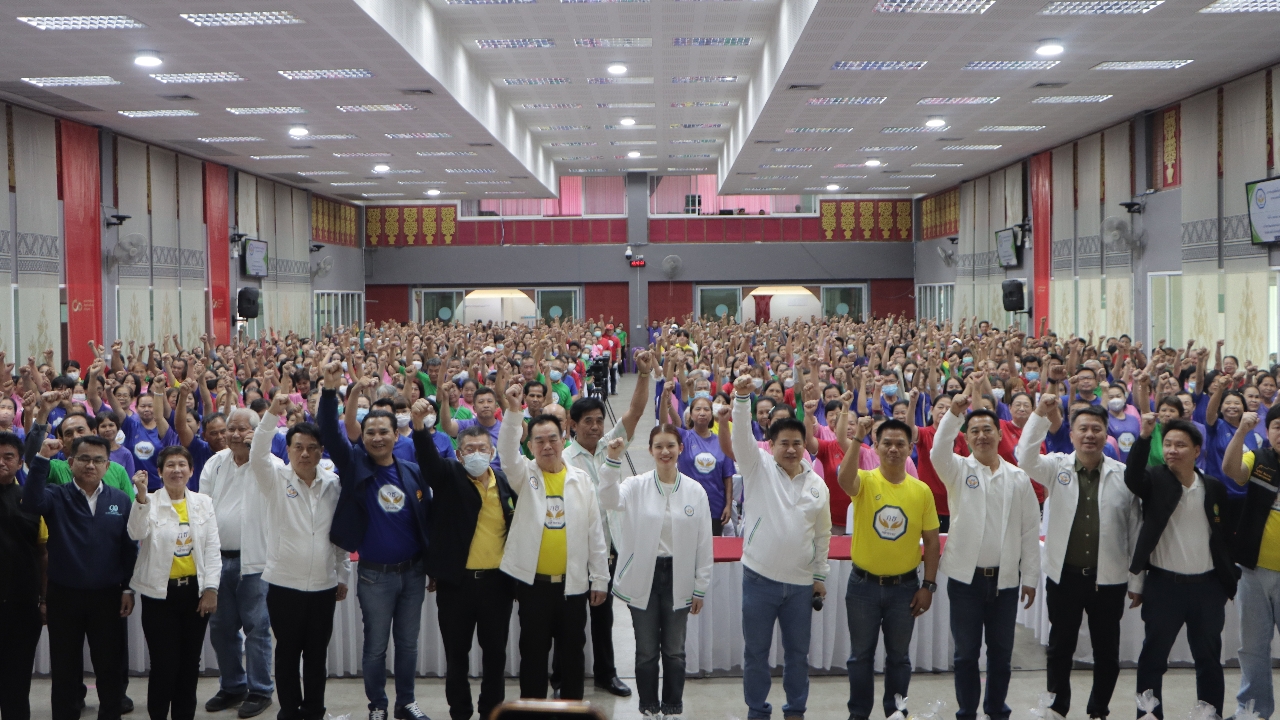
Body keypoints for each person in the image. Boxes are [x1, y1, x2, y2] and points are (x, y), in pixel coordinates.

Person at [1016, 396, 1142, 720]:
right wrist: (1040, 414)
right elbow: (1024, 457)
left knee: (1107, 652)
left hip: (1108, 580)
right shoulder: (1055, 466)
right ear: (1071, 435)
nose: (1089, 435)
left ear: (1106, 435)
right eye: (1083, 429)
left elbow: (1135, 531)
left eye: (1096, 429)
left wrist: (1137, 581)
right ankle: (1058, 707)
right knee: (1060, 648)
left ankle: (1099, 709)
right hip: (1065, 577)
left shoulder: (1123, 475)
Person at [318, 362, 432, 720]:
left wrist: (431, 565)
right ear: (362, 436)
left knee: (409, 645)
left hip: (412, 574)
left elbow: (425, 520)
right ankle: (378, 706)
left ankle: (406, 703)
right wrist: (330, 391)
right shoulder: (354, 464)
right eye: (371, 432)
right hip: (374, 577)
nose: (378, 438)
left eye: (384, 431)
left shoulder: (411, 471)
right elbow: (329, 431)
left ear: (396, 435)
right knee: (376, 648)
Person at [930, 379, 1040, 720]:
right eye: (974, 431)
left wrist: (1030, 577)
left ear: (999, 433)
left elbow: (1029, 531)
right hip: (965, 581)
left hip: (1004, 582)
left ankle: (996, 710)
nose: (981, 436)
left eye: (987, 429)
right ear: (966, 437)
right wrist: (953, 414)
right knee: (965, 655)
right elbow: (937, 451)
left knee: (1001, 654)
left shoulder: (1018, 478)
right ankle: (967, 712)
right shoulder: (957, 469)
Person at [497, 382, 610, 701]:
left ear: (564, 439)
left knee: (573, 656)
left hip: (572, 587)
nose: (547, 446)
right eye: (539, 441)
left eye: (552, 439)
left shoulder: (581, 480)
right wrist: (514, 411)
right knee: (533, 656)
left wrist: (600, 578)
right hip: (533, 587)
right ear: (530, 446)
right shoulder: (524, 475)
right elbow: (506, 453)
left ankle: (571, 710)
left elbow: (595, 534)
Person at [730, 373, 831, 720]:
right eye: (783, 443)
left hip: (801, 586)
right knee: (756, 653)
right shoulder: (757, 468)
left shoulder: (817, 485)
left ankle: (796, 710)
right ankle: (757, 711)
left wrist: (820, 576)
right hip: (759, 580)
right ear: (770, 445)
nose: (790, 449)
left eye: (796, 443)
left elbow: (822, 535)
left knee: (797, 655)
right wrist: (741, 400)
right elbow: (740, 439)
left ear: (805, 446)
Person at [555, 349, 654, 698]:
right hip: (572, 549)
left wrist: (644, 375)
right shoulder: (562, 459)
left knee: (603, 616)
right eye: (588, 421)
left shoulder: (610, 446)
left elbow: (635, 412)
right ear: (573, 425)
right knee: (568, 619)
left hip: (608, 548)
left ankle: (605, 674)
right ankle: (562, 678)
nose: (596, 426)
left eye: (599, 420)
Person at [250, 377, 349, 720]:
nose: (305, 453)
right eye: (298, 447)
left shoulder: (333, 484)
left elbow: (339, 534)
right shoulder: (275, 479)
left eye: (312, 447)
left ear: (321, 451)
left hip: (323, 585)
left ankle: (314, 710)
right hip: (284, 584)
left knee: (317, 655)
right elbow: (257, 453)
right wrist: (270, 415)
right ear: (288, 450)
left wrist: (342, 574)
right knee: (288, 653)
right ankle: (289, 711)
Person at [598, 426, 714, 719]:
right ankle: (649, 708)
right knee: (646, 651)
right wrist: (612, 460)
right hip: (644, 577)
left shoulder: (695, 491)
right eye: (659, 446)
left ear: (680, 449)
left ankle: (672, 708)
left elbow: (704, 542)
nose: (665, 452)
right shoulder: (635, 485)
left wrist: (700, 586)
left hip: (679, 575)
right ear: (650, 450)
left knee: (674, 651)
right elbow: (608, 499)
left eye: (670, 445)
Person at [22, 426, 137, 720]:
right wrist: (41, 459)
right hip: (64, 595)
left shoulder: (120, 500)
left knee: (109, 667)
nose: (90, 465)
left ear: (107, 466)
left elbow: (128, 548)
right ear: (71, 462)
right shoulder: (55, 495)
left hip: (108, 596)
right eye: (84, 459)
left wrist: (127, 588)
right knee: (64, 669)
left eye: (98, 460)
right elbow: (31, 502)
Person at [411, 400, 516, 720]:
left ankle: (491, 710)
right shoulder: (448, 476)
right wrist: (419, 428)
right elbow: (428, 461)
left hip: (497, 584)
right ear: (459, 454)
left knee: (495, 654)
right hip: (457, 585)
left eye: (482, 448)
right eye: (469, 449)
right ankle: (460, 711)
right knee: (457, 654)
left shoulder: (505, 484)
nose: (476, 454)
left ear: (492, 452)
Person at [1126, 414, 1236, 718]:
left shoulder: (1213, 487)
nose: (1172, 450)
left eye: (1180, 445)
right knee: (1153, 658)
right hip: (1164, 587)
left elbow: (1224, 537)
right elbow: (1132, 478)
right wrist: (1144, 438)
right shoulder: (1154, 480)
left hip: (1207, 589)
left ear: (1197, 450)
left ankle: (1209, 714)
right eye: (1168, 444)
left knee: (1209, 660)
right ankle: (1148, 715)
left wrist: (1228, 580)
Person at [835, 416, 941, 720]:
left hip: (904, 589)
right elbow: (844, 480)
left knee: (899, 658)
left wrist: (928, 586)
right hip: (862, 588)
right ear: (876, 447)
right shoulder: (865, 481)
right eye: (887, 443)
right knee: (860, 657)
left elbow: (932, 542)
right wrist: (857, 438)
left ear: (910, 448)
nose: (893, 449)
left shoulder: (921, 491)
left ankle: (896, 712)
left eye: (900, 444)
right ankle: (858, 714)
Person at [127, 446, 221, 720]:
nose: (176, 470)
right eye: (170, 465)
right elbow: (136, 532)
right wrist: (141, 497)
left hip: (194, 593)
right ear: (159, 471)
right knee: (164, 664)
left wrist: (211, 588)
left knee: (190, 664)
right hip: (159, 595)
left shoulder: (204, 502)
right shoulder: (148, 501)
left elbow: (212, 548)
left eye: (182, 465)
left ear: (191, 471)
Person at [199, 408, 275, 718]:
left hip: (255, 562)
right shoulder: (215, 463)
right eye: (231, 428)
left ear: (256, 433)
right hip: (218, 560)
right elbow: (203, 509)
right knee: (221, 629)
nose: (234, 434)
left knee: (257, 628)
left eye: (242, 429)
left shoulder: (269, 464)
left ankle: (260, 690)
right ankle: (232, 686)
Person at [1222, 406, 1280, 719]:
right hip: (1254, 570)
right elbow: (1231, 470)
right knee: (1253, 647)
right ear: (1268, 432)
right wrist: (1242, 431)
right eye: (1277, 427)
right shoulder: (1258, 458)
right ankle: (1253, 710)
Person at [660, 353, 734, 536]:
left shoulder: (722, 442)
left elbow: (728, 477)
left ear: (712, 414)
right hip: (686, 505)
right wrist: (664, 400)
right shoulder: (683, 436)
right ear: (691, 415)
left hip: (715, 507)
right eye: (698, 409)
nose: (702, 413)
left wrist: (728, 505)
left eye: (706, 409)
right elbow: (664, 425)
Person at [0, 431, 44, 720]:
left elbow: (44, 553)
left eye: (8, 457)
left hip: (22, 606)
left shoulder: (32, 501)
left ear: (19, 462)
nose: (1, 462)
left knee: (17, 684)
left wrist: (44, 599)